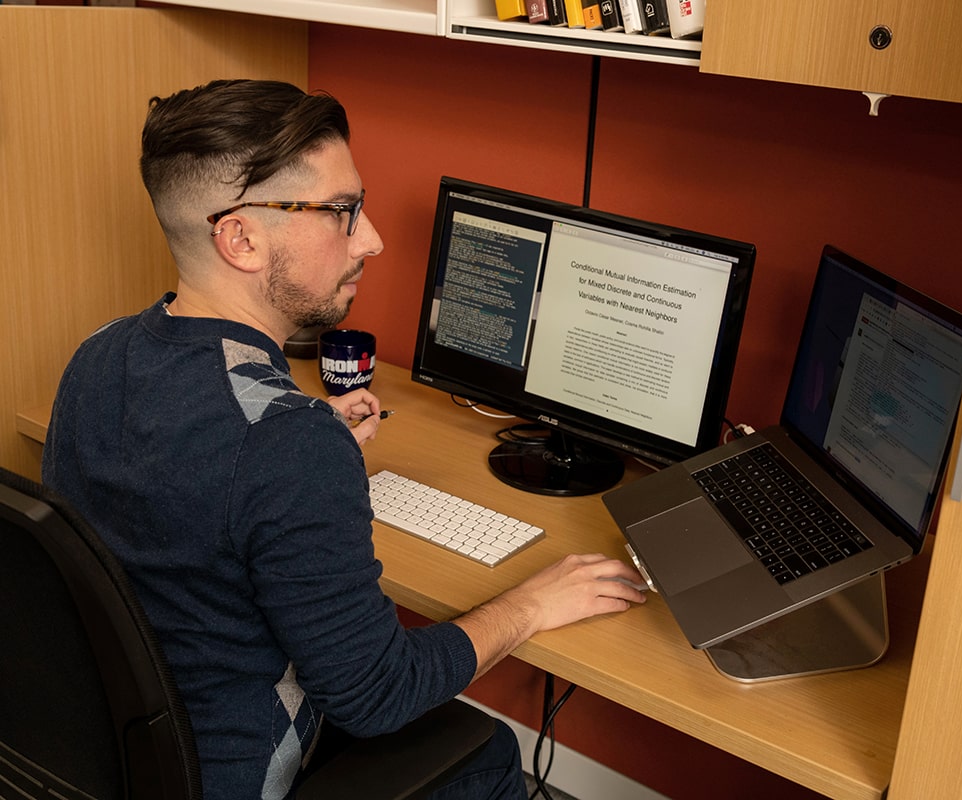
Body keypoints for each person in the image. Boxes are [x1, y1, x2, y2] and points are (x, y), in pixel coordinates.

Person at [42, 79, 647, 800]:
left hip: (109, 754)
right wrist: (533, 605)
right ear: (240, 238)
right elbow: (378, 695)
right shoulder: (285, 447)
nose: (373, 238)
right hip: (231, 773)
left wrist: (305, 446)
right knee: (487, 748)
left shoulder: (98, 355)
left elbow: (188, 475)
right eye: (341, 212)